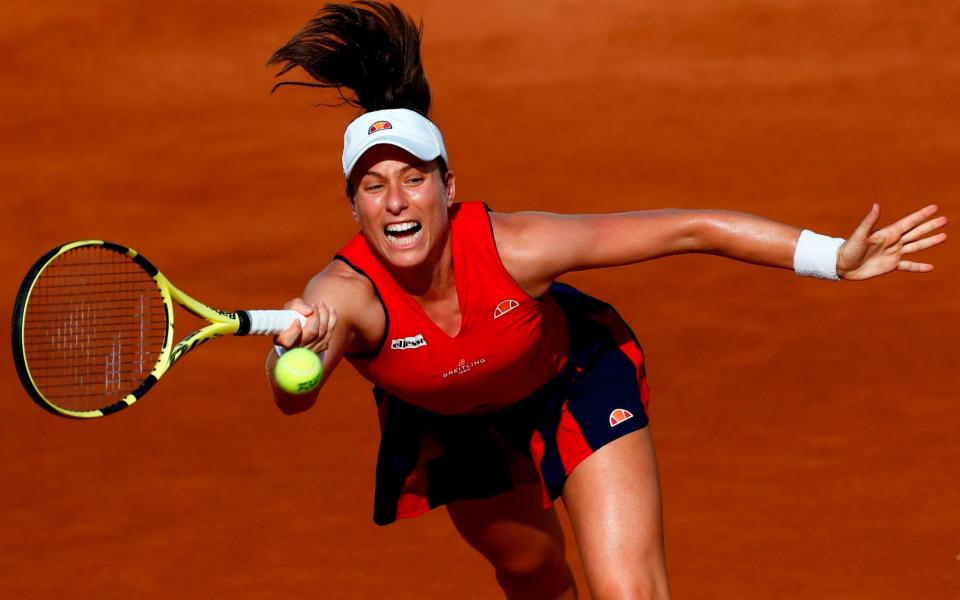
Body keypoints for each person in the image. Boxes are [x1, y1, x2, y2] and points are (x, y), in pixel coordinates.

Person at [264, 3, 947, 598]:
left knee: (629, 591)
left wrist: (832, 257)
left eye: (413, 179)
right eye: (373, 186)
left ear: (448, 188)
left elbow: (690, 227)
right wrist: (293, 355)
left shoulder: (518, 248)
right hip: (456, 426)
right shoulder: (344, 298)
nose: (395, 201)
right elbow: (294, 394)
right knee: (532, 573)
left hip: (572, 382)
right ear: (354, 209)